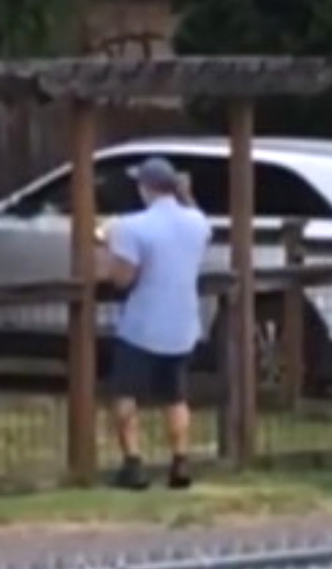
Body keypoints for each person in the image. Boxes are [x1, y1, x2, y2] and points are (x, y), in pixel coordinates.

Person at [99, 156, 211, 491]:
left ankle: (133, 464)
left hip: (142, 325)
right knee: (176, 397)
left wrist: (106, 252)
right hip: (182, 324)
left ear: (145, 188)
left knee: (125, 393)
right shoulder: (197, 222)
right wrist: (187, 194)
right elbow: (200, 223)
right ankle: (180, 461)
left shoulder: (131, 226)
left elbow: (122, 278)